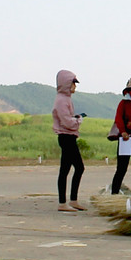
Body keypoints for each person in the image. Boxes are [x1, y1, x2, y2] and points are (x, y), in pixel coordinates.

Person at [51, 69, 85, 212]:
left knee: (67, 169)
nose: (75, 86)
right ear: (66, 84)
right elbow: (66, 122)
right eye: (73, 83)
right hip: (66, 136)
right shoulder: (61, 100)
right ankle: (65, 202)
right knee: (77, 167)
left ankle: (69, 201)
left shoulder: (65, 99)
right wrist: (78, 121)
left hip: (68, 136)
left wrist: (75, 118)